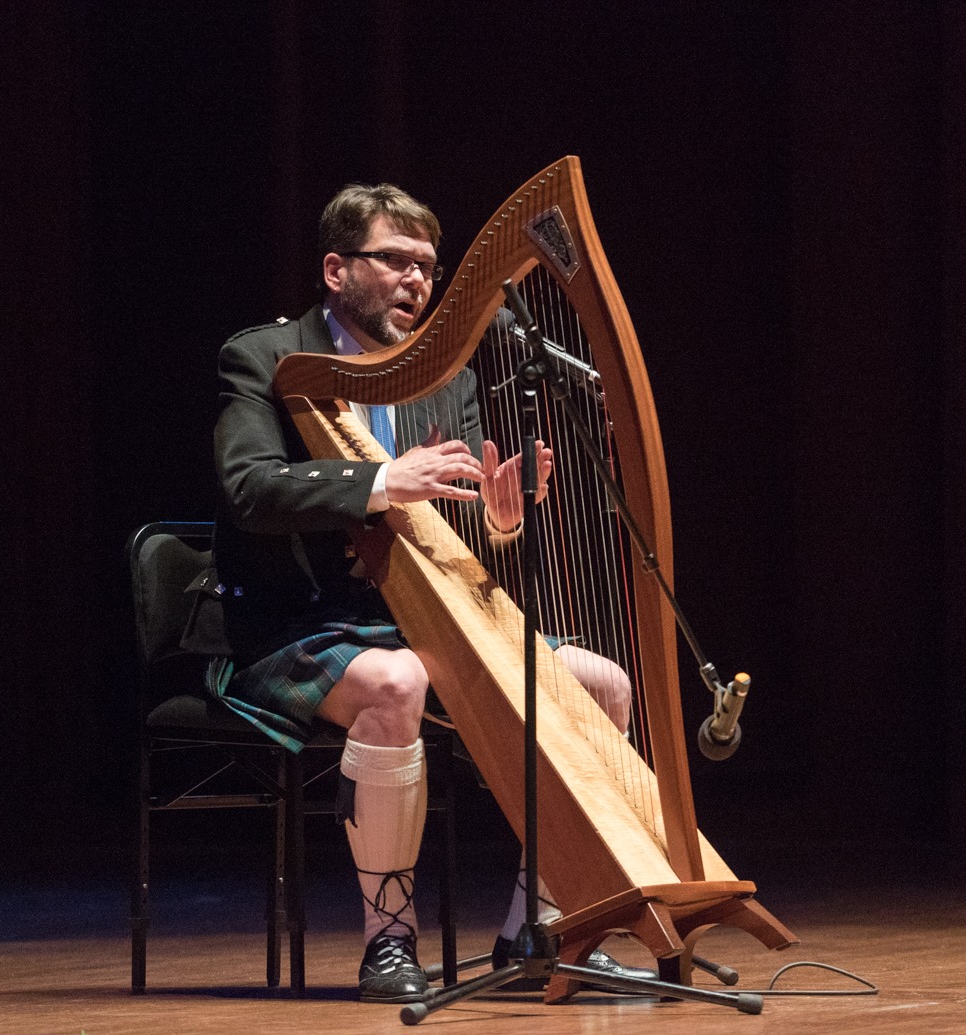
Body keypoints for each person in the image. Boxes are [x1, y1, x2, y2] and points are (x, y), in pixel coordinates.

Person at [211, 183, 653, 1002]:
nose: (419, 282)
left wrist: (502, 515)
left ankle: (541, 931)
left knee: (608, 686)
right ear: (338, 269)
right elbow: (250, 489)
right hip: (300, 625)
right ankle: (389, 943)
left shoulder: (442, 376)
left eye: (428, 267)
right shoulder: (266, 358)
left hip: (422, 619)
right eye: (397, 261)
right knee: (397, 682)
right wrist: (381, 478)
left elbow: (456, 534)